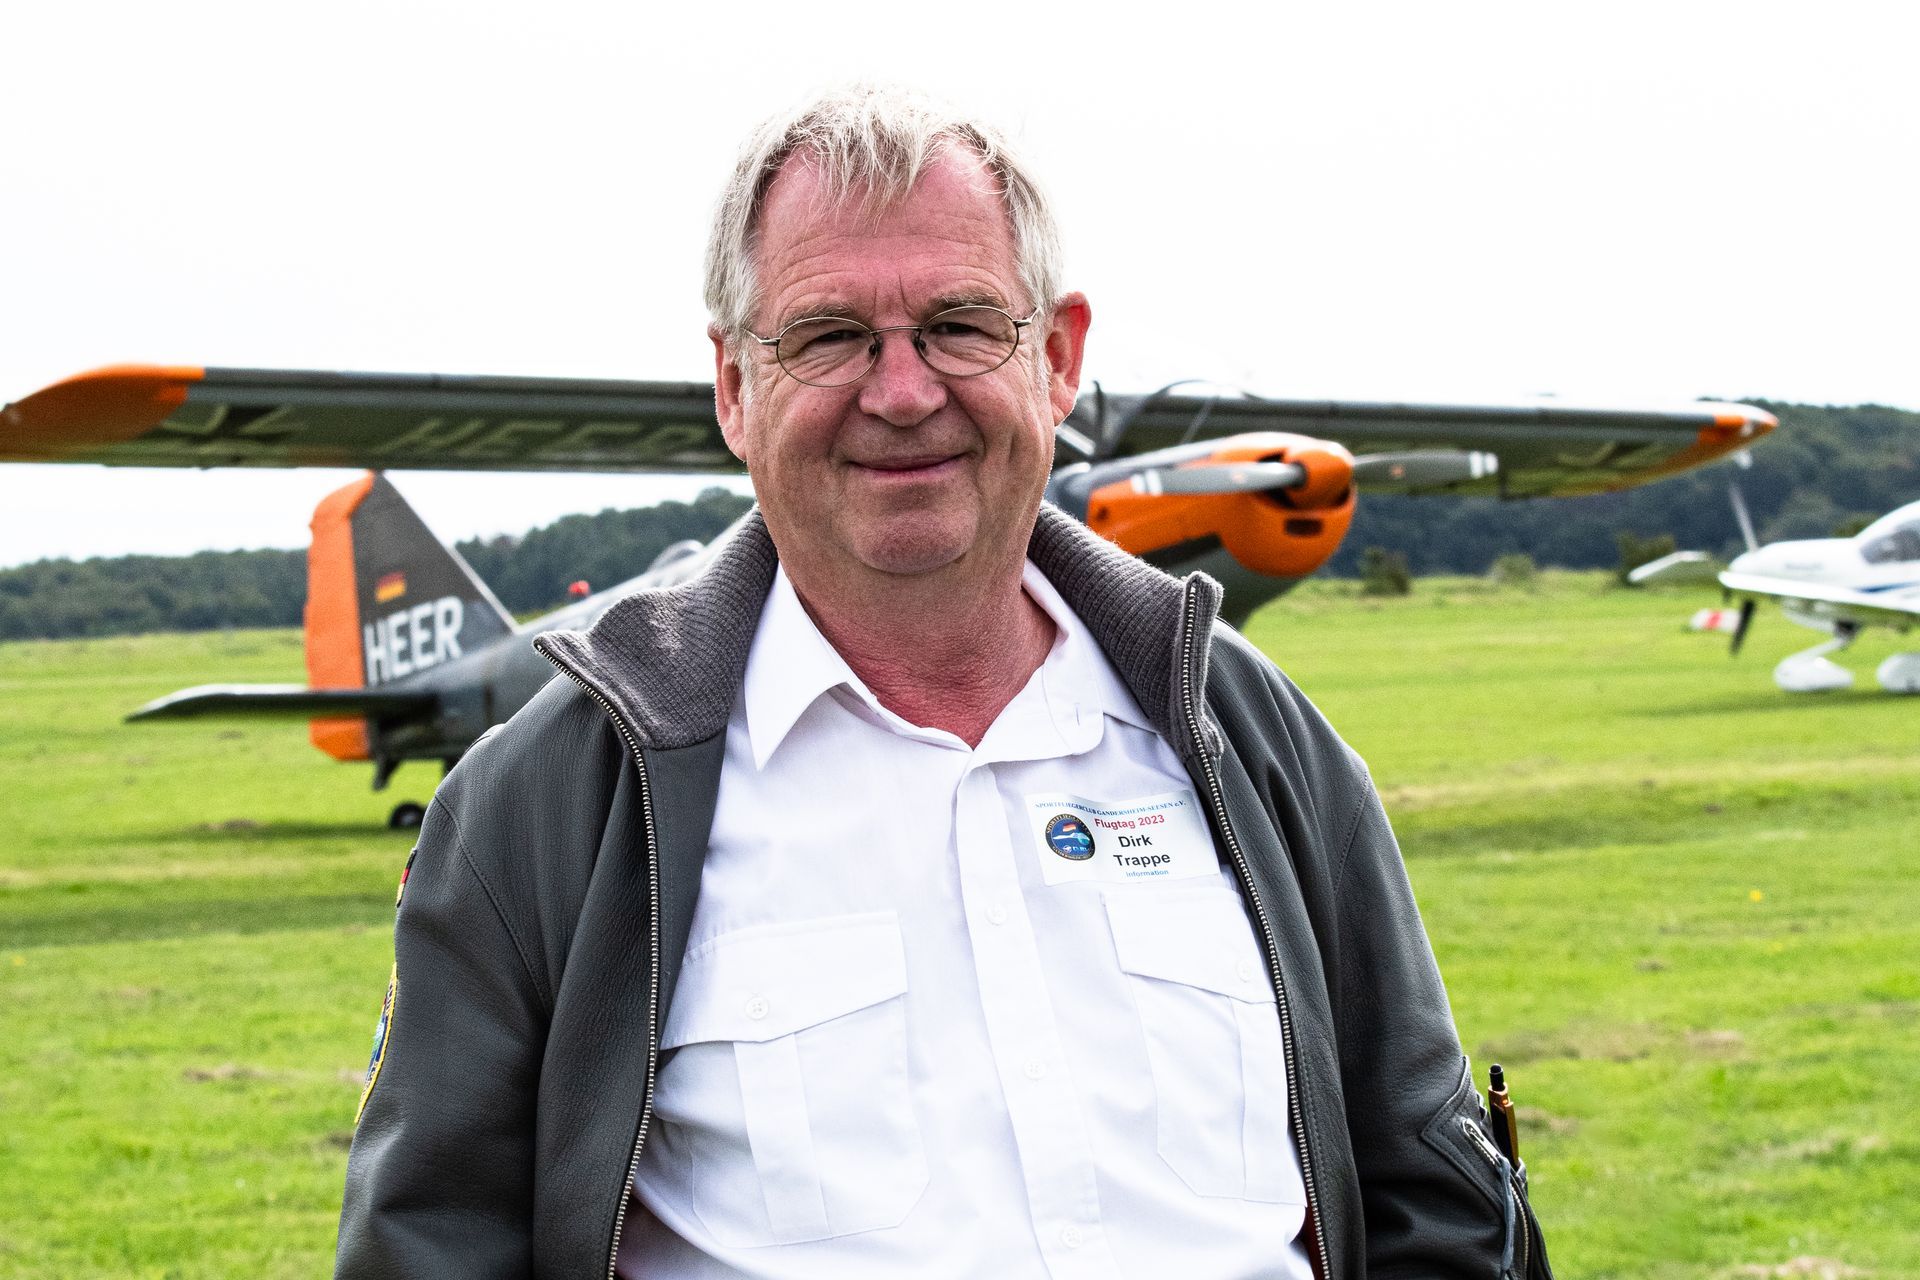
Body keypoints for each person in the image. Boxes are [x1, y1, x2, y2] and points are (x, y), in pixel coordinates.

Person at [335, 85, 1548, 1279]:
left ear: (1060, 356)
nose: (904, 391)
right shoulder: (536, 808)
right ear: (733, 388)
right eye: (827, 335)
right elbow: (425, 1243)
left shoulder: (1258, 739)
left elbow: (1433, 1198)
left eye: (963, 325)